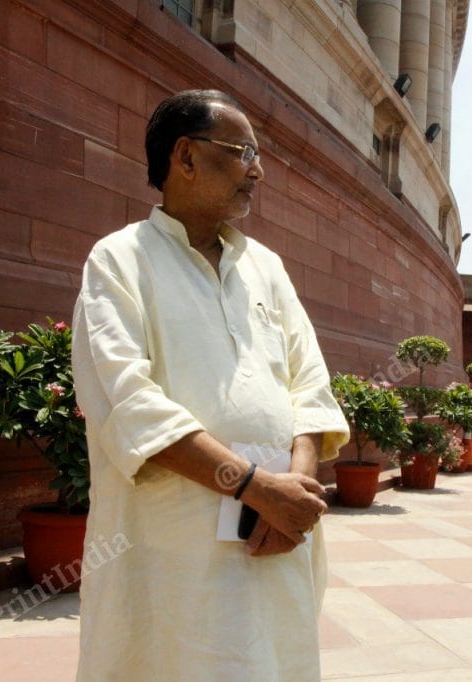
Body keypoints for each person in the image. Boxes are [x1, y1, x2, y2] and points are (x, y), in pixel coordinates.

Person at [71, 90, 349, 681]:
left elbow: (311, 384)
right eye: (242, 151)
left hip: (276, 538)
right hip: (171, 555)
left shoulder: (266, 268)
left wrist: (290, 490)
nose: (258, 169)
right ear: (186, 156)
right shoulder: (119, 262)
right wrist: (250, 485)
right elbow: (129, 403)